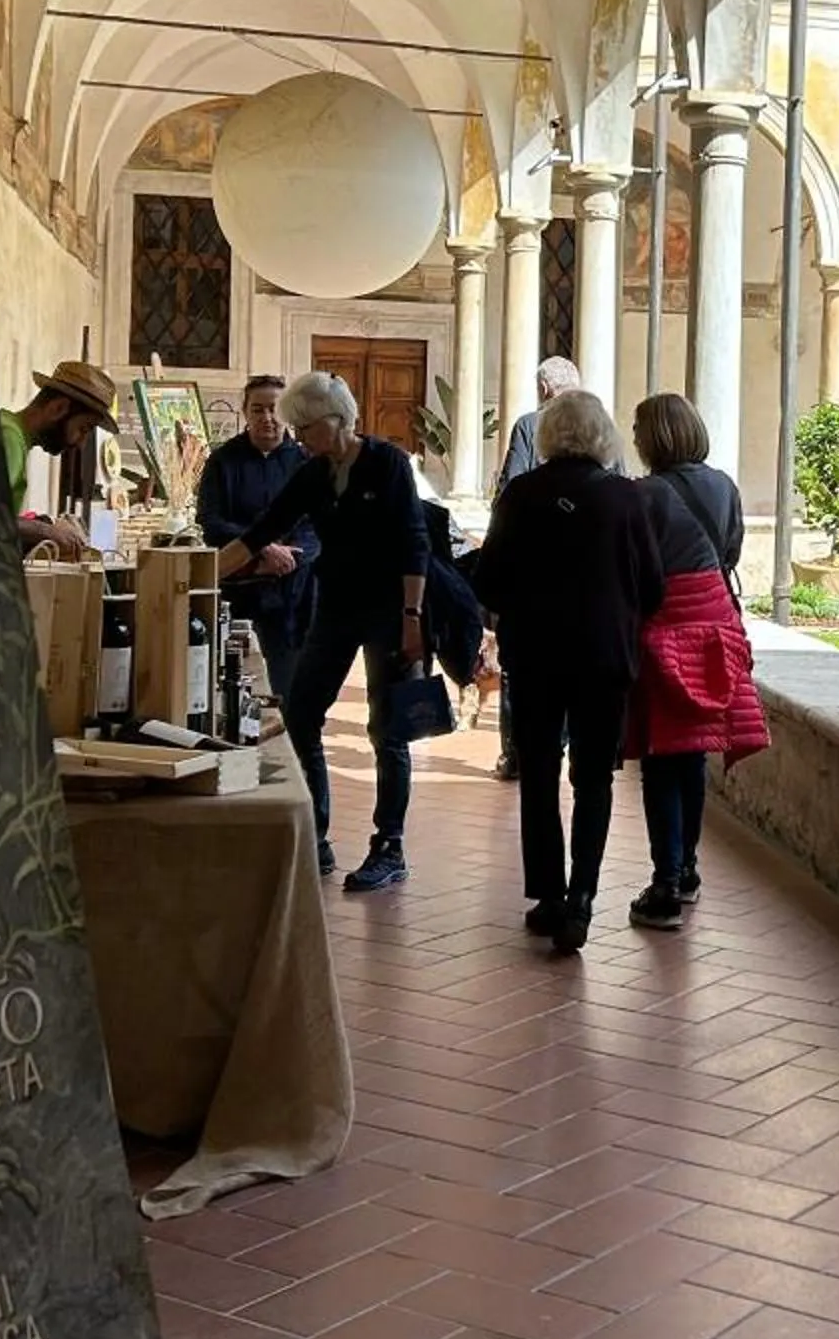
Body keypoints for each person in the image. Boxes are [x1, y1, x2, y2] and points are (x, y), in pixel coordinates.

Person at [464, 390, 662, 955]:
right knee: (594, 778)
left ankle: (549, 896)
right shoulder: (626, 499)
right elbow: (652, 587)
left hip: (537, 657)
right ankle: (582, 899)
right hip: (604, 659)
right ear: (602, 435)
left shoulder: (522, 494)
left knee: (541, 773)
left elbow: (489, 581)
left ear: (549, 435)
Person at [213, 372, 428, 887]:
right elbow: (261, 532)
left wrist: (413, 620)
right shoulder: (313, 473)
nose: (298, 439)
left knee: (388, 727)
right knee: (302, 715)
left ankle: (389, 846)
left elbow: (413, 542)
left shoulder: (387, 463)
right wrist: (198, 578)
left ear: (334, 422)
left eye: (304, 428)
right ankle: (316, 834)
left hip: (391, 609)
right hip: (335, 607)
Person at [621, 392, 765, 931]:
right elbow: (728, 551)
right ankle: (688, 867)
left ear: (655, 436)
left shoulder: (644, 494)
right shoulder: (724, 487)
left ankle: (666, 880)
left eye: (638, 428)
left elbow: (635, 564)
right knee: (693, 756)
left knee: (662, 759)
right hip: (716, 626)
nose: (633, 438)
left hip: (665, 627)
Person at [196, 374, 315, 705]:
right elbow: (211, 521)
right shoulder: (222, 461)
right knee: (233, 687)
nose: (267, 418)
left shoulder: (307, 462)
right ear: (245, 412)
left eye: (274, 409)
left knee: (288, 692)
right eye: (258, 409)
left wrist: (291, 557)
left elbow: (316, 526)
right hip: (237, 592)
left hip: (292, 593)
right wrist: (263, 549)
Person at [491, 355, 582, 784]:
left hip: (532, 581)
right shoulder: (601, 427)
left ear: (544, 390)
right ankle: (564, 745)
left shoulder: (530, 424)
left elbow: (511, 487)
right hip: (583, 589)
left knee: (522, 671)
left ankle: (517, 753)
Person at [2, 358, 117, 556]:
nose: (80, 443)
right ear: (58, 408)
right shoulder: (8, 438)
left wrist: (44, 523)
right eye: (83, 429)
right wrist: (47, 531)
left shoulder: (12, 434)